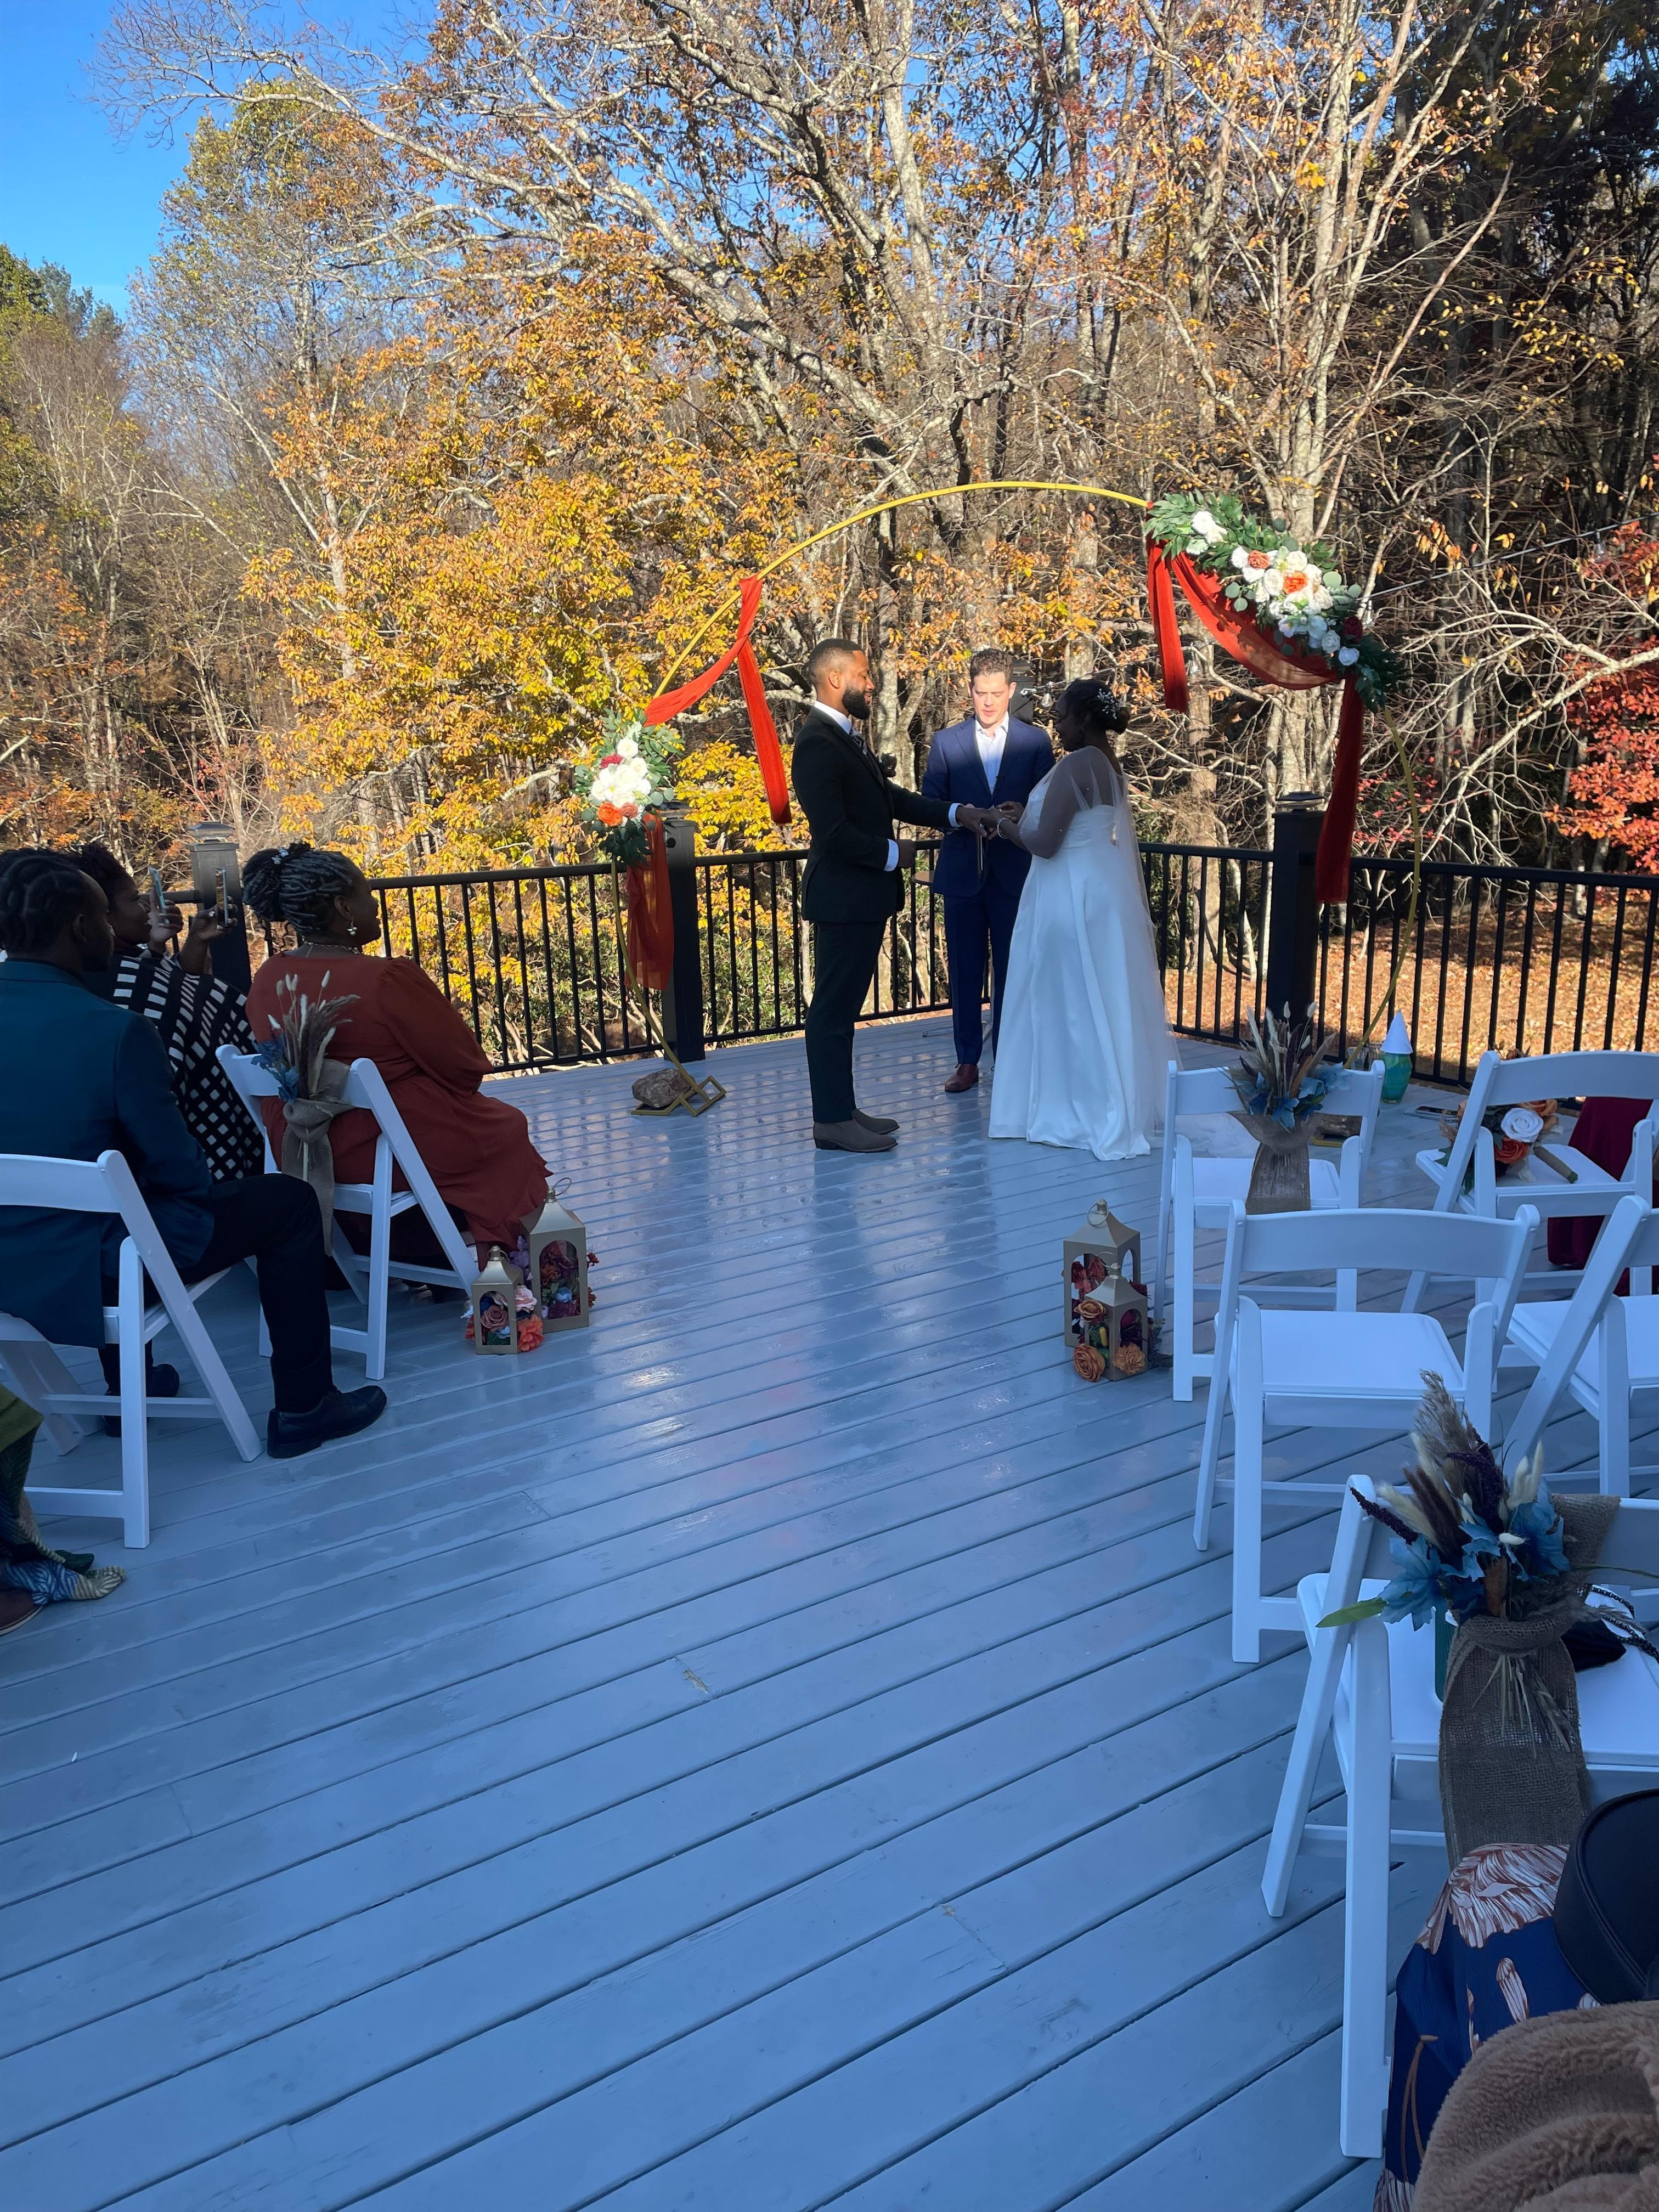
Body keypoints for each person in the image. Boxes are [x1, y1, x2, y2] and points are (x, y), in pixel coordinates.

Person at [0, 849, 387, 1458]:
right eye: (103, 916)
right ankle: (306, 1407)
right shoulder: (116, 1032)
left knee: (106, 1208)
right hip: (100, 1267)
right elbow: (182, 1172)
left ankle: (134, 1389)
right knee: (286, 1201)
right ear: (78, 928)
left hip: (9, 1261)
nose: (107, 927)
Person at [242, 844, 551, 1254]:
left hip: (302, 1145)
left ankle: (420, 1251)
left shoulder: (268, 976)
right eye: (367, 895)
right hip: (382, 1144)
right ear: (343, 907)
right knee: (505, 1129)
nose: (375, 907)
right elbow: (465, 1069)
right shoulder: (385, 977)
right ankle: (514, 1256)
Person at [791, 639, 1001, 1153]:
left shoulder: (845, 735)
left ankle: (843, 1108)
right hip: (842, 899)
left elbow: (892, 800)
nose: (871, 683)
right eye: (863, 675)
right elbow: (834, 833)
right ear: (836, 680)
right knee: (831, 1013)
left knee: (843, 1011)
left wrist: (959, 814)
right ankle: (831, 1122)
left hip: (861, 899)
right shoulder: (818, 742)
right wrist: (893, 855)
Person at [986, 678, 1173, 1161]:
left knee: (1066, 999)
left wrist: (1002, 826)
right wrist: (1028, 813)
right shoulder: (1108, 765)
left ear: (1084, 719)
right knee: (1102, 998)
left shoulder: (1075, 764)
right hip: (1100, 885)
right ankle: (1108, 1098)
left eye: (1063, 715)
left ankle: (1071, 1106)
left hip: (1067, 892)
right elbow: (1072, 822)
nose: (1057, 723)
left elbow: (1047, 845)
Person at [69, 842, 265, 1182]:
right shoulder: (133, 993)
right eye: (134, 899)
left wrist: (184, 943)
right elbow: (176, 1002)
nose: (148, 904)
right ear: (101, 917)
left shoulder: (76, 982)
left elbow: (166, 987)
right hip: (187, 1176)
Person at [919, 647, 1054, 1094]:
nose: (989, 702)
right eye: (981, 693)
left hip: (1015, 872)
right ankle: (966, 1062)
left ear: (1011, 690)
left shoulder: (1035, 742)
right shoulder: (946, 742)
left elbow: (1049, 804)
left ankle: (1012, 1060)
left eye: (997, 693)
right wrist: (963, 813)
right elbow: (931, 805)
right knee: (963, 970)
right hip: (963, 874)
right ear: (970, 690)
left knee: (1016, 972)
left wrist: (1019, 813)